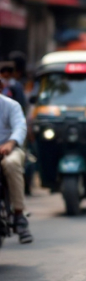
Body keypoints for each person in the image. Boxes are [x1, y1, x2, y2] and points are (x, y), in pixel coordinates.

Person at [0, 85, 31, 244]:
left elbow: (20, 127)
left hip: (9, 150)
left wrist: (10, 143)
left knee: (11, 164)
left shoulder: (11, 105)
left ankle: (19, 215)